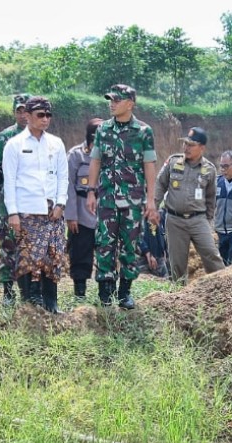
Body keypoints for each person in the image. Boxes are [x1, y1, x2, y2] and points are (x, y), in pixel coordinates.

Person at [86, 84, 158, 308]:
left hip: (133, 199)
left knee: (130, 244)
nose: (112, 103)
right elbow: (96, 160)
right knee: (104, 243)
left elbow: (149, 165)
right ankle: (105, 293)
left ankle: (124, 292)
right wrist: (91, 190)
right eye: (111, 100)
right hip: (107, 197)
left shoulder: (143, 132)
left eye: (117, 100)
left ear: (130, 103)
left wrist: (151, 199)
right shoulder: (103, 129)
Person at [2, 96, 68, 314]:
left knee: (53, 254)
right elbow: (9, 181)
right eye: (40, 115)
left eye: (48, 115)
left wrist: (61, 203)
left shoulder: (56, 143)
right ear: (28, 116)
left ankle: (51, 300)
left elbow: (63, 177)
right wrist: (12, 213)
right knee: (30, 257)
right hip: (28, 210)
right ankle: (32, 299)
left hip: (52, 211)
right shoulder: (15, 145)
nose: (45, 119)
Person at [155, 127, 224, 282]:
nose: (186, 147)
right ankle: (179, 296)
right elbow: (160, 185)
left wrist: (208, 220)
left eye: (191, 145)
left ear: (202, 148)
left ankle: (221, 285)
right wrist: (153, 207)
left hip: (198, 219)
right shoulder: (173, 162)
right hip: (174, 220)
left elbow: (211, 198)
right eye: (185, 143)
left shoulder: (209, 170)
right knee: (177, 263)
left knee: (211, 254)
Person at [0, 94, 30, 305]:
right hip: (8, 202)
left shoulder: (40, 137)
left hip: (32, 203)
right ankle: (7, 291)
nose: (23, 115)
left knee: (30, 248)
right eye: (19, 110)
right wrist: (0, 201)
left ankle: (29, 293)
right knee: (8, 245)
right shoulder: (3, 139)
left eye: (26, 110)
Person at [66, 117, 103, 300]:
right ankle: (79, 292)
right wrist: (71, 216)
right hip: (80, 211)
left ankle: (106, 291)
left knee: (106, 254)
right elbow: (69, 186)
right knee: (80, 251)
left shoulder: (110, 155)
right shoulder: (76, 155)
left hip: (104, 212)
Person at [136, 210, 169, 278]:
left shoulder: (159, 214)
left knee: (166, 283)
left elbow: (162, 234)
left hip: (159, 258)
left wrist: (164, 250)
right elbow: (137, 236)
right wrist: (148, 253)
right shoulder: (138, 215)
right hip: (144, 259)